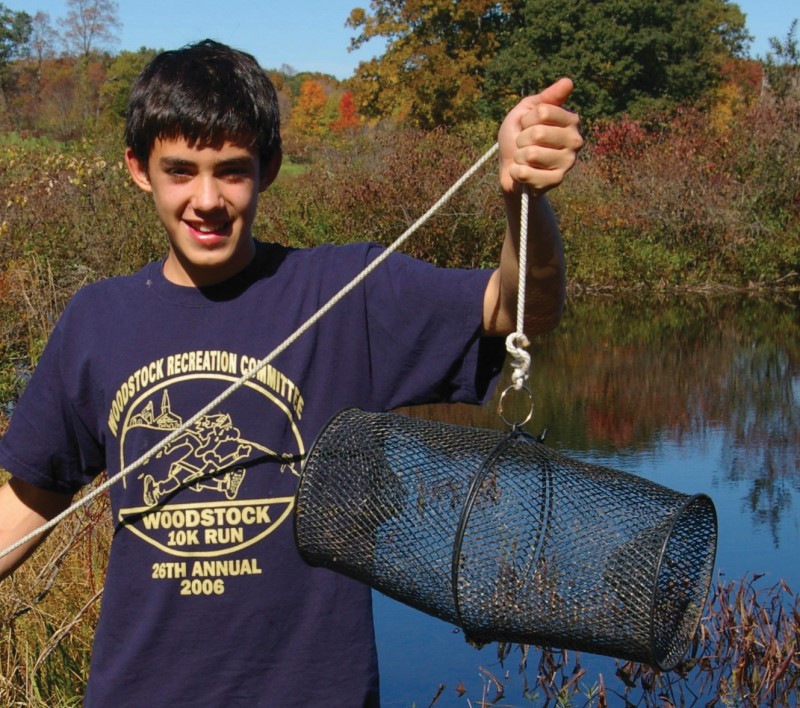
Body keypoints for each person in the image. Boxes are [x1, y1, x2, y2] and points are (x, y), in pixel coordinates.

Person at [0, 39, 582, 706]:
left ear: (269, 167)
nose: (208, 200)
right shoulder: (98, 319)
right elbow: (28, 502)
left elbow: (520, 310)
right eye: (181, 170)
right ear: (139, 169)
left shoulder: (345, 293)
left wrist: (524, 200)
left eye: (233, 171)